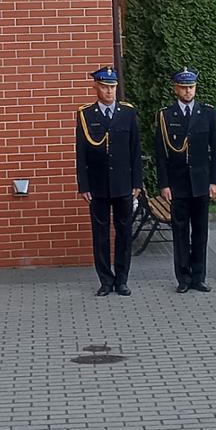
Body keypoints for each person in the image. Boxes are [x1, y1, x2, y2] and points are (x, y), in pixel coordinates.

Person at [73, 66, 142, 296]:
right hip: (98, 185)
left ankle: (122, 279)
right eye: (105, 87)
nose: (109, 91)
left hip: (123, 183)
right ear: (96, 87)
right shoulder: (86, 114)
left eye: (112, 87)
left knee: (124, 233)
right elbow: (81, 152)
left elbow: (135, 150)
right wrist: (84, 185)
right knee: (100, 235)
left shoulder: (127, 113)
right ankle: (105, 280)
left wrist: (137, 182)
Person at [154, 67, 216, 293]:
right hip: (178, 183)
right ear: (176, 88)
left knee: (200, 232)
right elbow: (161, 154)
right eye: (183, 88)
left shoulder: (208, 113)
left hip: (201, 182)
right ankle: (183, 278)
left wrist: (215, 181)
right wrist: (164, 184)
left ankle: (199, 277)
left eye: (191, 87)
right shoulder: (166, 115)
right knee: (180, 232)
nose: (188, 91)